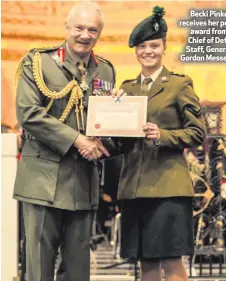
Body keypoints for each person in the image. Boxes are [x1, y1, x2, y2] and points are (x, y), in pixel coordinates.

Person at [13, 3, 115, 281]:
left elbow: (105, 120)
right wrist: (77, 140)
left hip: (83, 184)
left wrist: (110, 140)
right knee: (40, 268)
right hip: (42, 182)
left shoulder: (105, 70)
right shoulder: (38, 63)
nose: (85, 35)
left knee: (77, 271)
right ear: (67, 28)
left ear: (99, 33)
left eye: (92, 30)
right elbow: (28, 113)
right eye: (79, 28)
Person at [112, 6, 206, 281]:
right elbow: (120, 140)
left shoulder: (179, 85)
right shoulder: (126, 89)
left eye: (154, 45)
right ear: (136, 50)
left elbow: (197, 133)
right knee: (147, 265)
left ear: (165, 47)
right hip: (135, 188)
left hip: (168, 189)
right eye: (142, 46)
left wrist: (163, 135)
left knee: (172, 263)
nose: (148, 51)